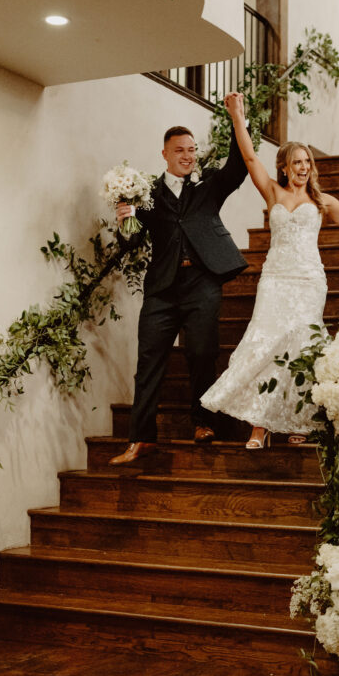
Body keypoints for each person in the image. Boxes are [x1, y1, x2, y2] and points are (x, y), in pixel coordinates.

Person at [201, 91, 339, 448]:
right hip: (275, 279)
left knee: (303, 349)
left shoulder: (321, 201)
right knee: (266, 343)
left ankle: (299, 421)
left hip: (308, 281)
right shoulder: (272, 192)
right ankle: (260, 424)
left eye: (308, 162)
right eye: (297, 162)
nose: (303, 167)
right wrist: (238, 116)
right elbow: (250, 155)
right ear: (284, 167)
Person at [108, 121, 248, 465]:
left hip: (203, 281)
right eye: (179, 151)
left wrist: (236, 119)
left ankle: (203, 422)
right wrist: (125, 219)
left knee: (201, 352)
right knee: (149, 359)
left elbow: (238, 165)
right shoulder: (147, 193)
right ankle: (141, 438)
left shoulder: (209, 184)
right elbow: (134, 241)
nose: (187, 156)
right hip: (163, 287)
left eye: (191, 150)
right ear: (165, 154)